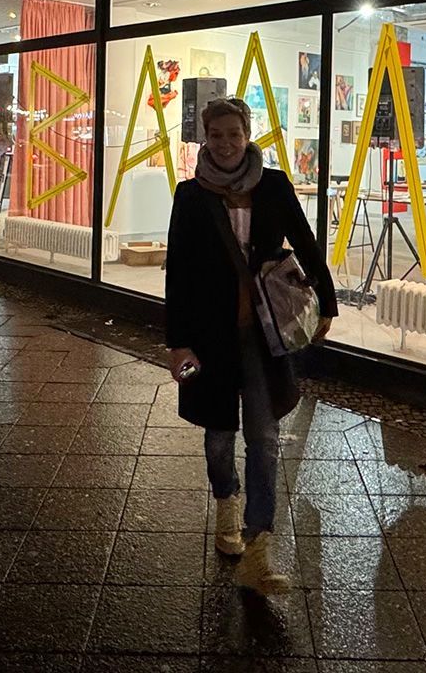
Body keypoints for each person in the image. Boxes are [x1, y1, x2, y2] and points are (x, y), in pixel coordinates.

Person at [165, 96, 338, 595]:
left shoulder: (274, 185)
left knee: (263, 437)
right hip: (208, 337)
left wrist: (327, 303)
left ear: (248, 135)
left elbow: (306, 244)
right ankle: (226, 500)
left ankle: (258, 545)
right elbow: (179, 271)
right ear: (205, 138)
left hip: (266, 335)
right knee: (219, 436)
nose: (225, 144)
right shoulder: (190, 195)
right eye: (215, 135)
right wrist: (178, 344)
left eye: (233, 134)